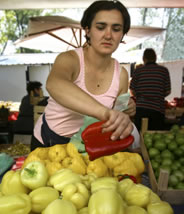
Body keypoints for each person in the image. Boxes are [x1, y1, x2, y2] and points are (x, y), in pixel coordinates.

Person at [31, 0, 138, 151]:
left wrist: (124, 111)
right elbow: (54, 84)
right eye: (100, 27)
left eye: (116, 29)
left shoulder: (121, 74)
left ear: (122, 34)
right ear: (87, 30)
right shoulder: (70, 59)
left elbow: (115, 117)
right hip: (51, 141)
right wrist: (105, 112)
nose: (108, 35)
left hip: (88, 146)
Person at [130, 48, 171, 131]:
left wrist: (139, 96)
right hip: (157, 110)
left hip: (141, 109)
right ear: (155, 58)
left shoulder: (138, 71)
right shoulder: (164, 71)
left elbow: (132, 90)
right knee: (155, 138)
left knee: (140, 137)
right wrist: (158, 95)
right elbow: (168, 91)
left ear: (144, 58)